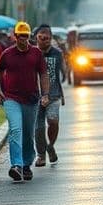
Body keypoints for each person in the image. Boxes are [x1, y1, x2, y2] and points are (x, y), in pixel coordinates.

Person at [0, 21, 50, 182]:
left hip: (31, 99)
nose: (22, 39)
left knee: (28, 134)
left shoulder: (36, 54)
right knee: (16, 130)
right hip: (11, 98)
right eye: (20, 36)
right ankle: (16, 165)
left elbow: (43, 74)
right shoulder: (8, 54)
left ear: (29, 37)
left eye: (25, 36)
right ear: (15, 37)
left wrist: (45, 94)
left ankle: (26, 165)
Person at [34, 25, 66, 168]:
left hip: (53, 94)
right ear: (36, 38)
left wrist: (65, 75)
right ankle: (41, 155)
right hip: (34, 95)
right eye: (41, 37)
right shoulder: (32, 53)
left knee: (53, 121)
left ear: (51, 38)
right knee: (38, 127)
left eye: (47, 38)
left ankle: (50, 145)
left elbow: (63, 71)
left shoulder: (57, 53)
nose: (44, 40)